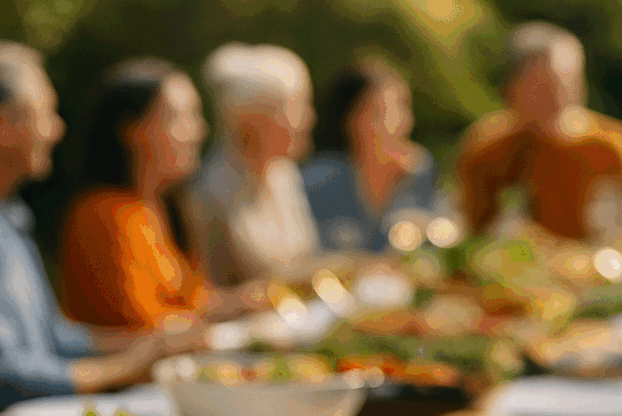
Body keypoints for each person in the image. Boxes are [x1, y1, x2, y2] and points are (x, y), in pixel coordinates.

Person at [0, 42, 203, 413]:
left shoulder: (6, 215)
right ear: (4, 127)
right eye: (46, 114)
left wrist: (150, 346)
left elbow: (53, 337)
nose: (57, 130)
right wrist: (124, 368)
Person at [58, 59, 267, 340]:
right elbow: (142, 325)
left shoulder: (161, 207)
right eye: (180, 117)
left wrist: (248, 301)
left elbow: (194, 301)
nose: (198, 132)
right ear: (131, 129)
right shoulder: (102, 215)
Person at [456, 22, 622, 241]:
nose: (560, 96)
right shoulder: (487, 145)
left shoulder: (610, 143)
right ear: (511, 87)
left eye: (570, 82)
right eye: (545, 85)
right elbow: (472, 231)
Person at [187, 43, 322, 287]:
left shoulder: (284, 174)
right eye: (298, 107)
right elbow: (210, 293)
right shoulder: (211, 193)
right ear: (254, 121)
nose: (309, 119)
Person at [302, 60, 437, 253]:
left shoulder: (420, 174)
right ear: (350, 119)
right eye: (380, 113)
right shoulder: (316, 182)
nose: (399, 123)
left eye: (403, 107)